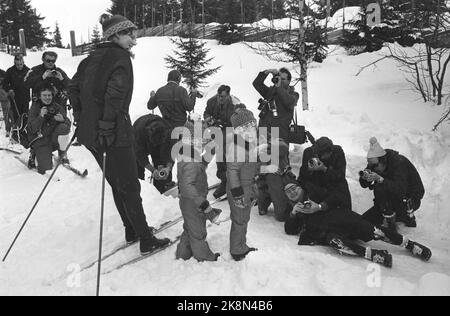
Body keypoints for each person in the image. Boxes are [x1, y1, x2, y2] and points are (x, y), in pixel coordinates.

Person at [68, 14, 170, 254]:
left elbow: (72, 88)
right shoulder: (120, 58)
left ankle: (132, 229)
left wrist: (83, 118)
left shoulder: (91, 58)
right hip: (113, 133)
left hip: (92, 135)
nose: (134, 40)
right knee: (129, 186)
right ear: (114, 35)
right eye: (129, 35)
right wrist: (105, 124)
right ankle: (146, 238)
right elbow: (115, 95)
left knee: (116, 182)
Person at [284, 182, 432, 268]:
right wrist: (293, 214)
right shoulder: (295, 211)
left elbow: (337, 197)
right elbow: (289, 230)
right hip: (330, 232)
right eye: (288, 192)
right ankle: (373, 255)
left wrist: (320, 206)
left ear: (301, 188)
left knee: (375, 231)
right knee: (335, 242)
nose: (292, 192)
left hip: (345, 221)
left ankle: (409, 244)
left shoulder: (315, 193)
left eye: (294, 188)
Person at [176, 116, 222, 262]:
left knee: (189, 228)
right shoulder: (190, 161)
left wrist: (210, 153)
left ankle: (183, 253)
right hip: (194, 202)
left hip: (189, 201)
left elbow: (200, 166)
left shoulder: (188, 155)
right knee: (198, 231)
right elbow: (187, 185)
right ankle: (204, 256)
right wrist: (203, 203)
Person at [359, 137, 425, 230]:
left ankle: (395, 222)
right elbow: (363, 185)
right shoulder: (375, 163)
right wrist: (365, 178)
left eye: (374, 166)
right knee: (363, 222)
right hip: (388, 200)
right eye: (371, 165)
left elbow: (400, 190)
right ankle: (388, 214)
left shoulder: (399, 163)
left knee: (380, 188)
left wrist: (380, 179)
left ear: (383, 161)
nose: (373, 168)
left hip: (409, 199)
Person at [227, 105, 259, 261]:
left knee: (243, 218)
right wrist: (238, 194)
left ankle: (240, 244)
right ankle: (237, 250)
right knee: (240, 219)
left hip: (246, 185)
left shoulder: (249, 143)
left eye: (252, 125)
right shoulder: (236, 147)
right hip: (238, 188)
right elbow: (232, 171)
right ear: (237, 131)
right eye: (244, 128)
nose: (249, 130)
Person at [203, 85, 240, 199]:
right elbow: (206, 112)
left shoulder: (235, 104)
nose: (221, 99)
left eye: (223, 97)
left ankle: (234, 180)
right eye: (219, 96)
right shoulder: (211, 101)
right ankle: (225, 179)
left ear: (228, 95)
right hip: (217, 131)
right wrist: (209, 119)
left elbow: (240, 120)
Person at [26, 84, 71, 174]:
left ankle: (62, 154)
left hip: (53, 139)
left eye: (49, 95)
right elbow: (31, 129)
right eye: (44, 95)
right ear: (40, 96)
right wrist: (40, 116)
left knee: (64, 128)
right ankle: (34, 153)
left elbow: (68, 125)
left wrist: (63, 120)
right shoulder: (35, 108)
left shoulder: (57, 107)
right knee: (45, 169)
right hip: (40, 141)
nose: (47, 98)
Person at [133, 113, 176, 194]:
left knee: (162, 162)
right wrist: (152, 170)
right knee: (137, 168)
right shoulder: (138, 133)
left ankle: (164, 189)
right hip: (139, 141)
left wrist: (168, 167)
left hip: (161, 143)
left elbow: (171, 151)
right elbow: (140, 155)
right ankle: (139, 192)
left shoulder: (169, 132)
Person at [253, 68, 299, 143]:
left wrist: (278, 87)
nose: (280, 81)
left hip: (279, 134)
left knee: (277, 154)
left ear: (289, 81)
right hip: (264, 131)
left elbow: (288, 102)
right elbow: (257, 84)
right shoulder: (270, 92)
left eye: (283, 79)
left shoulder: (294, 95)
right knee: (262, 154)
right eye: (279, 78)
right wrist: (266, 72)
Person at [256, 137, 296, 222]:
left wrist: (267, 146)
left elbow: (284, 147)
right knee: (262, 208)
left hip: (280, 181)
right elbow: (252, 169)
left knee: (281, 216)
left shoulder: (277, 144)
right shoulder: (256, 152)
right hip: (265, 183)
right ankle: (264, 202)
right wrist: (267, 169)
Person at [4, 54, 31, 122]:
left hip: (25, 97)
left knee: (25, 115)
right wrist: (9, 89)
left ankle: (24, 130)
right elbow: (4, 83)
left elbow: (32, 84)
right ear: (14, 63)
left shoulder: (28, 71)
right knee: (16, 116)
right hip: (14, 97)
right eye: (17, 64)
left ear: (23, 62)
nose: (19, 66)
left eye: (21, 64)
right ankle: (16, 130)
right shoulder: (10, 71)